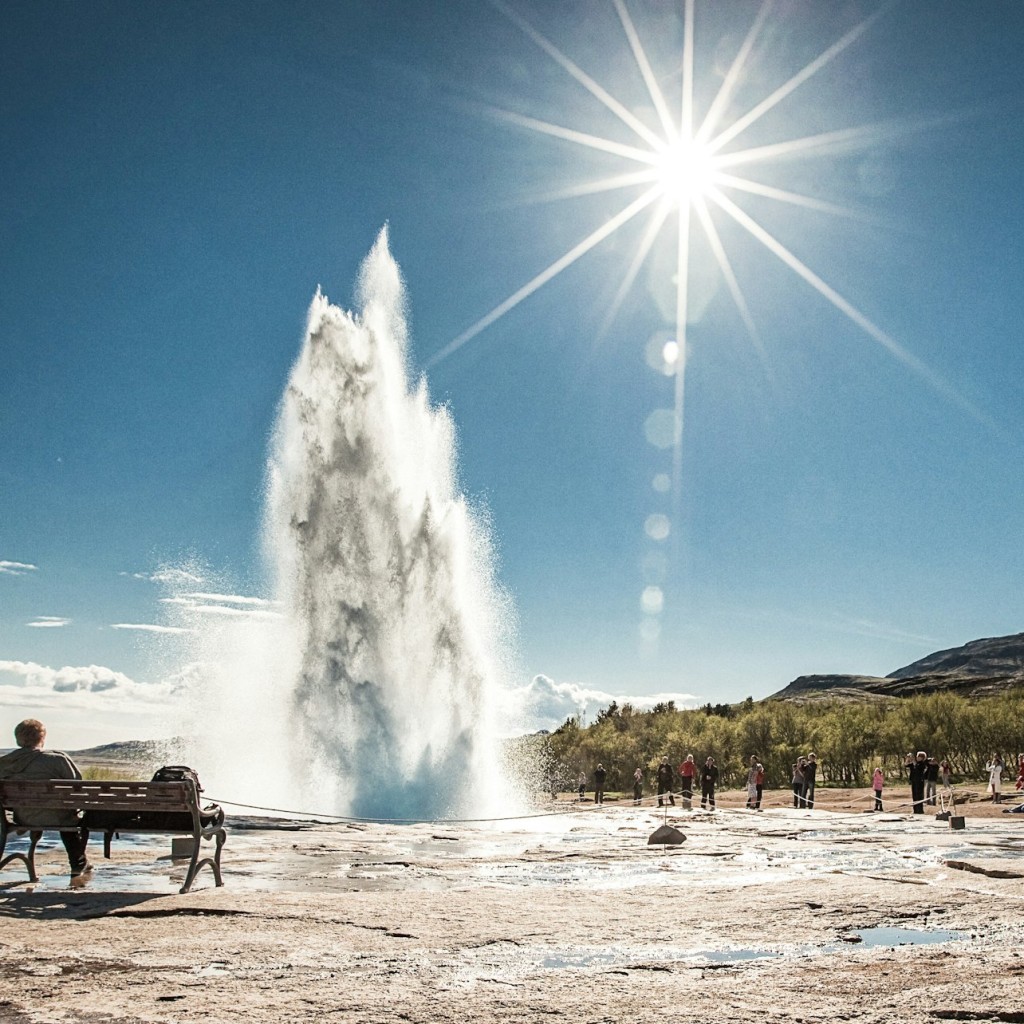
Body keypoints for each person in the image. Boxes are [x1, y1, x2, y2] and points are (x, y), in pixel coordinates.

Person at [0, 718, 91, 878]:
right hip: (60, 817)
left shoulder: (5, 763)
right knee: (69, 821)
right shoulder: (58, 759)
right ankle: (78, 864)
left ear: (18, 738)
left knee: (62, 816)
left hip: (24, 817)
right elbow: (78, 788)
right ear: (42, 737)